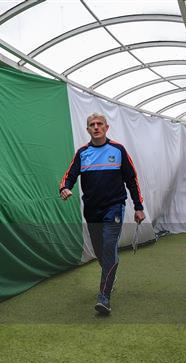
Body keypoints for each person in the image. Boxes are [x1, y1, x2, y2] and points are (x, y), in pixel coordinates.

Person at [59, 113, 145, 315]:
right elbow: (69, 176)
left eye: (99, 124)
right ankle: (111, 276)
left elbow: (132, 180)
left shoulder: (118, 150)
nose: (96, 127)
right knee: (100, 251)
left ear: (107, 127)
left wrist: (138, 206)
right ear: (88, 129)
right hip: (91, 210)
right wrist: (65, 188)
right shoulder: (82, 153)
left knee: (108, 248)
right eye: (92, 125)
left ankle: (104, 297)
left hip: (114, 207)